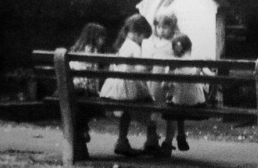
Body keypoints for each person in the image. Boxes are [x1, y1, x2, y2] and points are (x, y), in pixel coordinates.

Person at [99, 13, 153, 157]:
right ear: (137, 33)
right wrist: (146, 68)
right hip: (127, 87)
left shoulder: (123, 44)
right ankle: (152, 140)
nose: (142, 40)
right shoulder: (134, 47)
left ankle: (122, 141)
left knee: (128, 111)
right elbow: (132, 69)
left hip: (117, 86)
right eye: (142, 37)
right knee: (149, 104)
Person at [160, 34, 216, 157]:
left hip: (177, 102)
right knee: (180, 101)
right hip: (196, 102)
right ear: (190, 48)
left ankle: (168, 142)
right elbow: (212, 76)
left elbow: (164, 86)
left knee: (175, 103)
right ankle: (181, 135)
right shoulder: (197, 61)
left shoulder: (172, 64)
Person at [141, 8, 180, 156]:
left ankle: (168, 142)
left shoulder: (176, 41)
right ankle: (151, 139)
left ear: (173, 26)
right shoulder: (153, 42)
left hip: (170, 81)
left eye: (165, 26)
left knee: (171, 113)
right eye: (158, 27)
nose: (161, 30)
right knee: (153, 110)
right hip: (155, 81)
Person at [68, 22, 107, 144]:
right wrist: (97, 92)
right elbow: (90, 79)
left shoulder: (76, 49)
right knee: (91, 103)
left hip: (71, 89)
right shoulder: (91, 51)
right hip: (83, 91)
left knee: (81, 107)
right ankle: (82, 130)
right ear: (94, 37)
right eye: (102, 37)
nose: (103, 40)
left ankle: (81, 130)